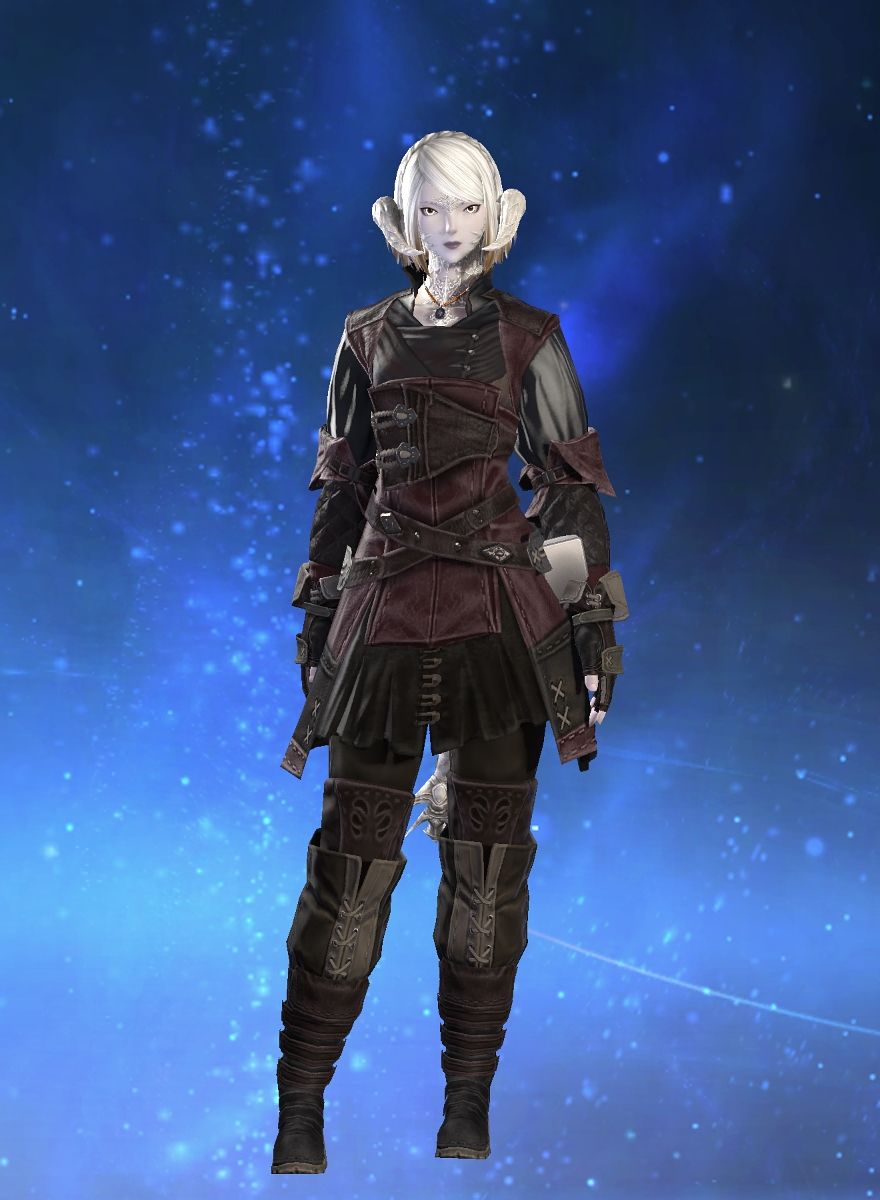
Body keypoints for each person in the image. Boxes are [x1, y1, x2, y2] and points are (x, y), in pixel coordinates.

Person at [271, 130, 628, 1174]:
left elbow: (568, 490)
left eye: (466, 206)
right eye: (430, 207)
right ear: (404, 219)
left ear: (493, 216)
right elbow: (342, 491)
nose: (449, 227)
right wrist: (317, 620)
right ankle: (300, 1107)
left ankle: (466, 1101)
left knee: (486, 873)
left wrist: (592, 633)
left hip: (499, 623)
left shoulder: (530, 338)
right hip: (381, 619)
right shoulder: (364, 337)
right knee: (349, 872)